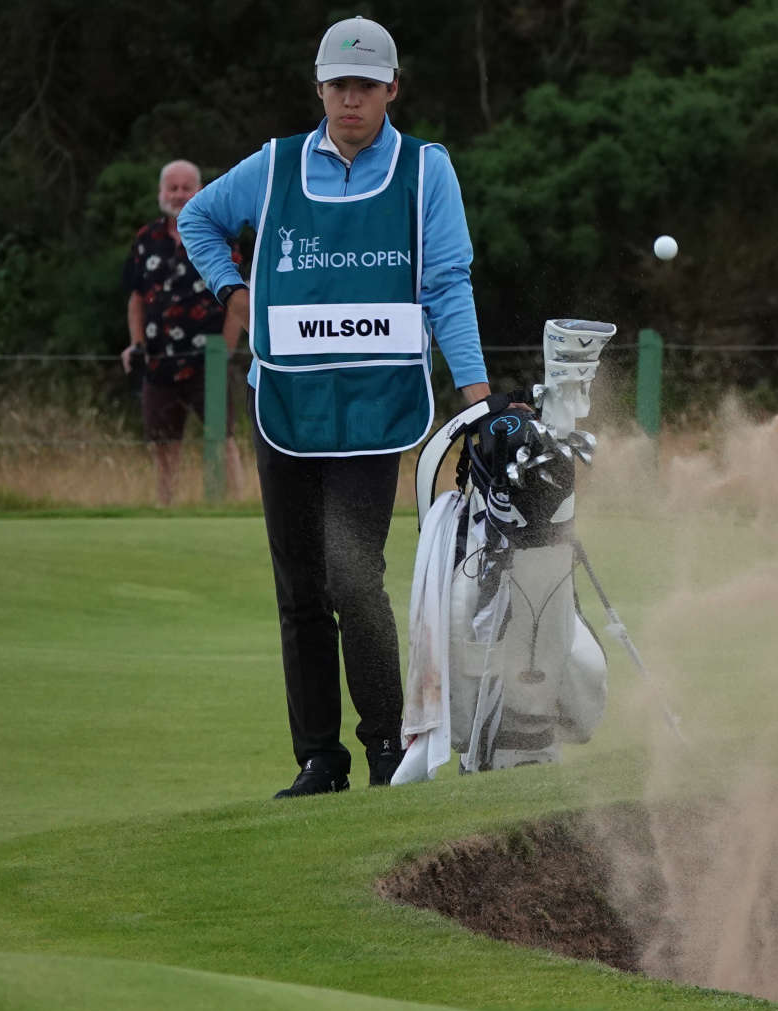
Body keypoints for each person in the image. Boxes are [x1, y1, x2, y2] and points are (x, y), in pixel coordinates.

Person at [179, 15, 500, 798]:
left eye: (365, 86)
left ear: (392, 88)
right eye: (337, 85)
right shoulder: (277, 164)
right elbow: (199, 219)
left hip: (375, 404)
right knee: (298, 591)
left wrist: (477, 397)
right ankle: (320, 759)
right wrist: (235, 290)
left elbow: (447, 283)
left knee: (355, 580)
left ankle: (386, 748)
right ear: (319, 88)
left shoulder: (427, 170)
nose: (350, 100)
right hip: (285, 402)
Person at [121, 159, 245, 506]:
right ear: (161, 192)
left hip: (210, 356)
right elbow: (136, 297)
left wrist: (227, 349)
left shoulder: (218, 234)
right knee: (162, 444)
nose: (178, 195)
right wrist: (136, 345)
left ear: (200, 190)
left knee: (221, 438)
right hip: (158, 360)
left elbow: (238, 295)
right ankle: (166, 507)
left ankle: (235, 507)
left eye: (185, 187)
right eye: (171, 188)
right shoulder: (146, 239)